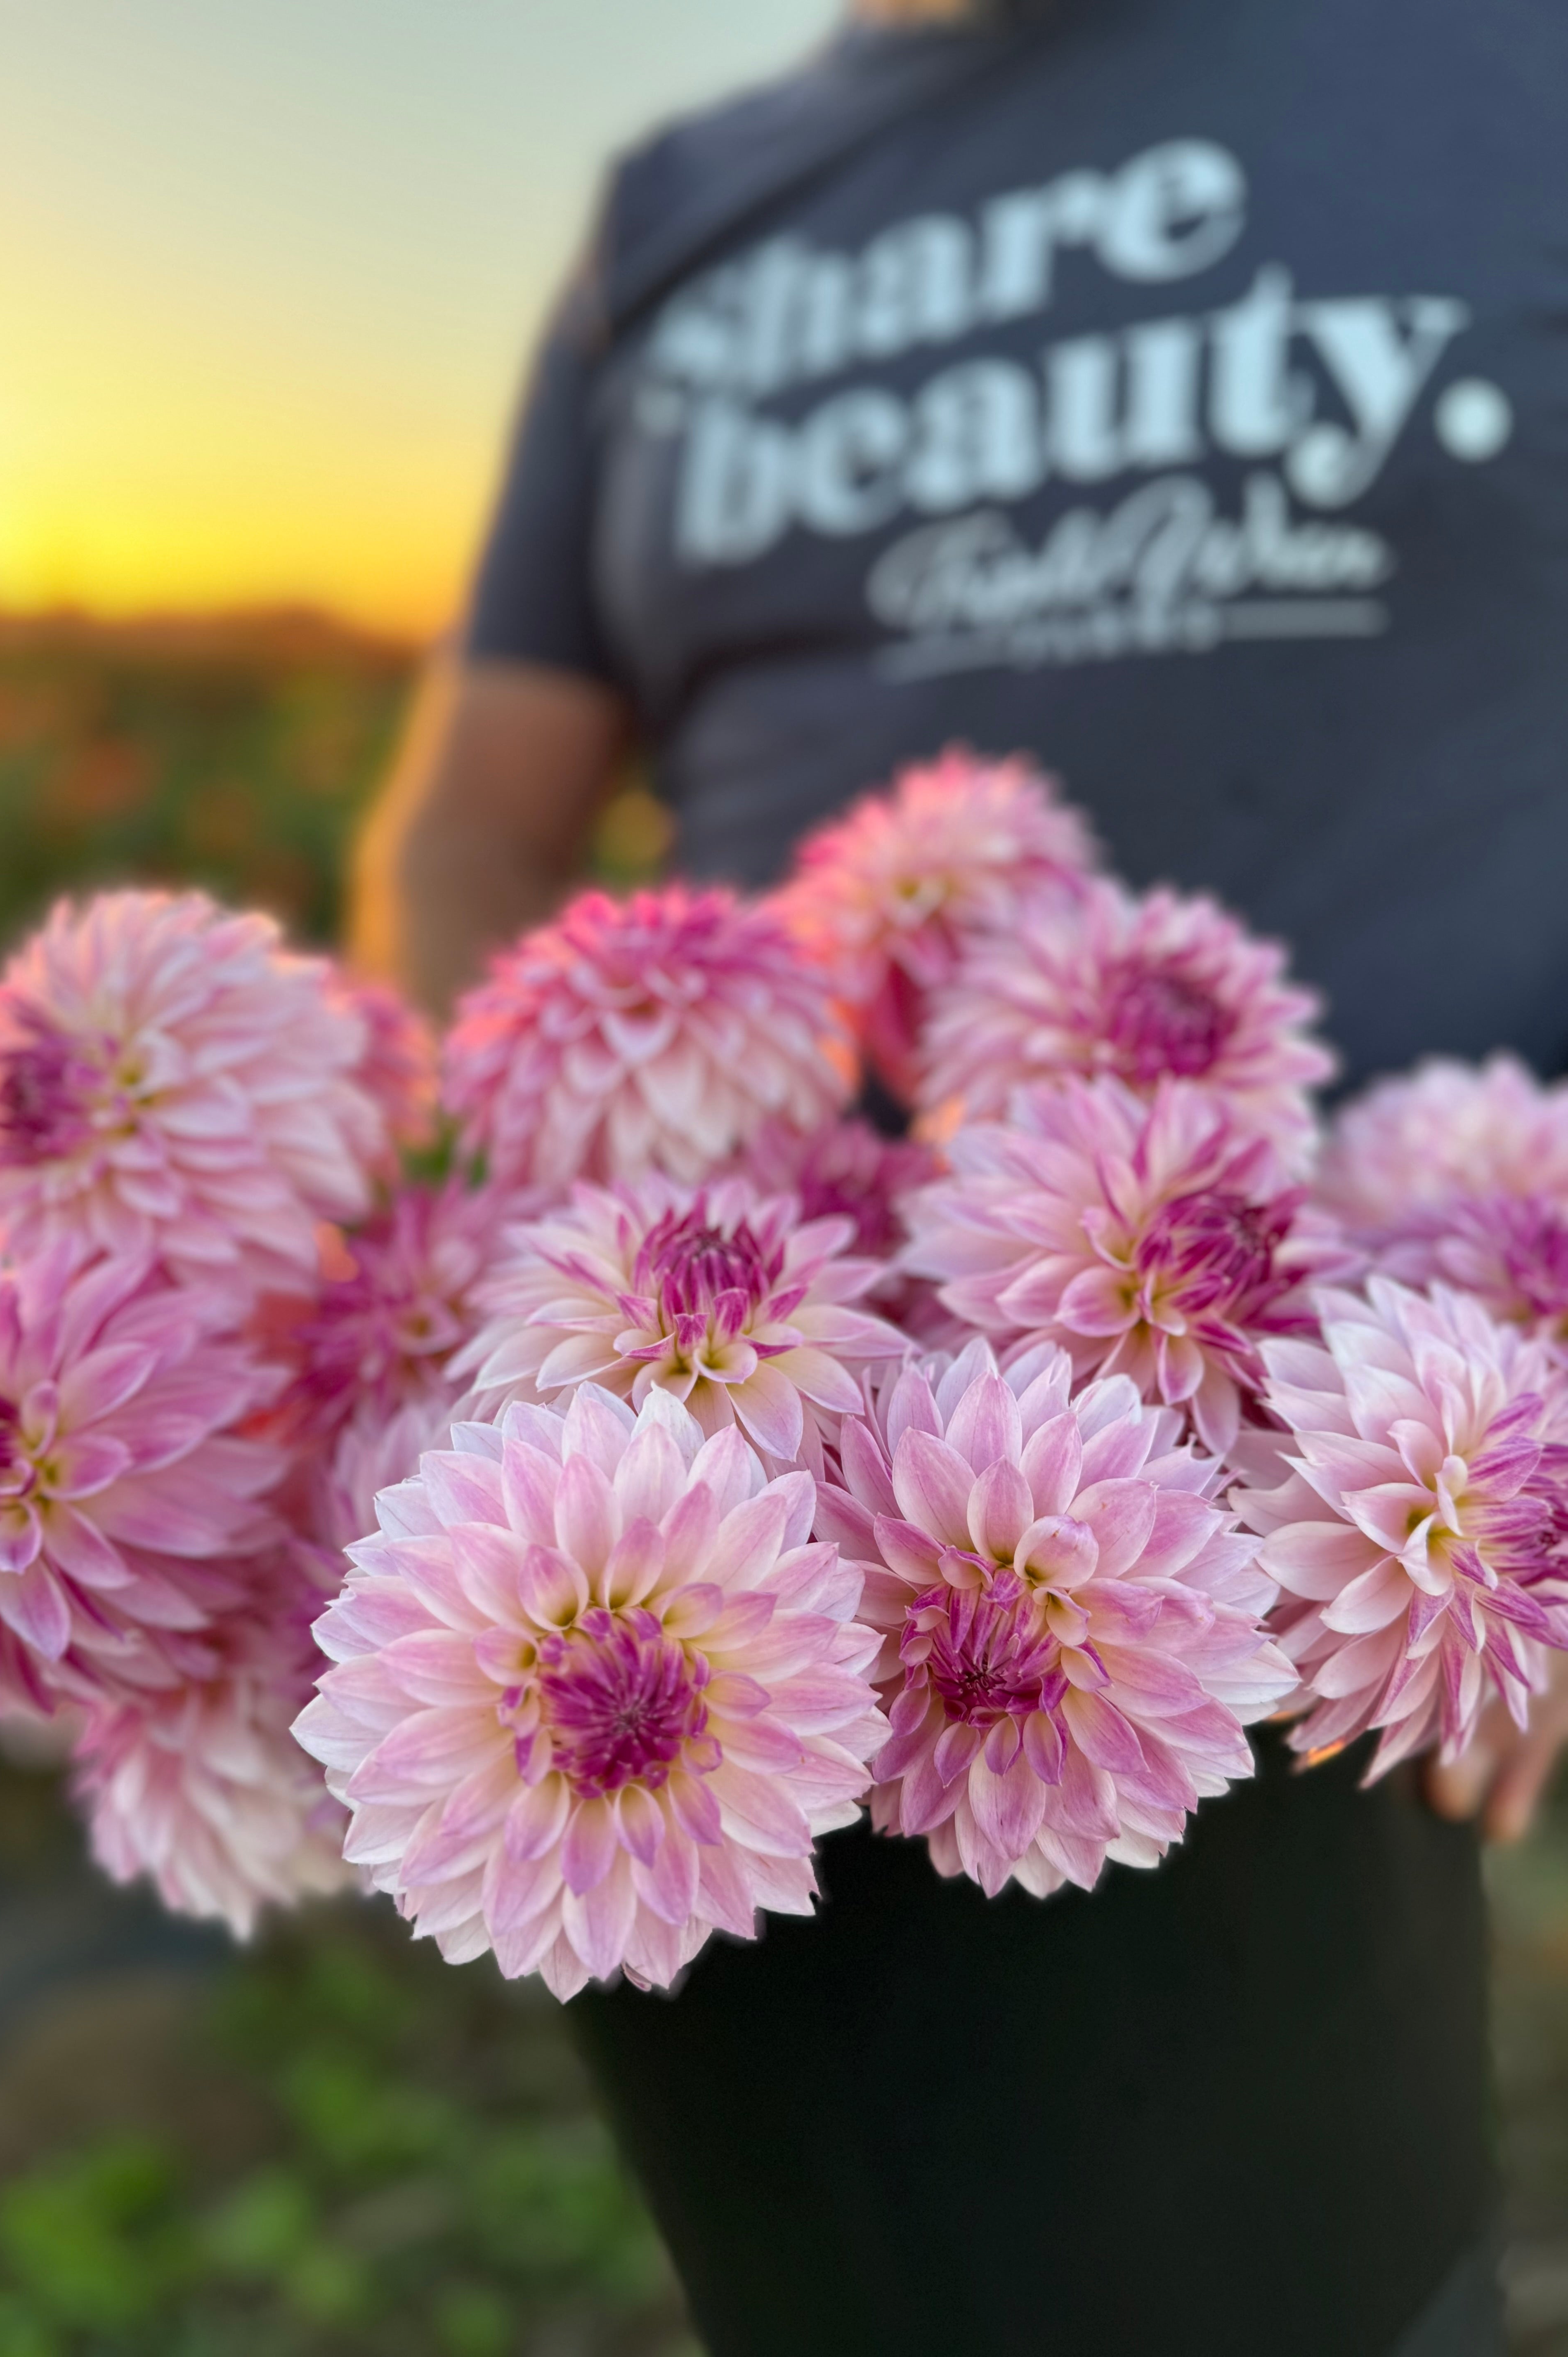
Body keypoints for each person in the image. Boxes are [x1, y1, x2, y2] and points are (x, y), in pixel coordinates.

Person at [353, 0, 1568, 2347]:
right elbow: (477, 818)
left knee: (1332, 2271)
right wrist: (498, 1220)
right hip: (732, 1475)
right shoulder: (675, 215)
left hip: (1393, 1500)